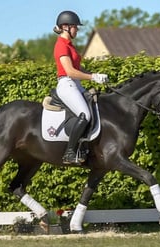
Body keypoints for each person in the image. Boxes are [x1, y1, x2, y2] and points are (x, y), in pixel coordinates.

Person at [53, 10, 108, 165]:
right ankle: (70, 152)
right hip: (67, 84)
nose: (77, 30)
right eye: (75, 27)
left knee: (94, 108)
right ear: (65, 27)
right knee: (85, 114)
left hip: (75, 84)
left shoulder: (70, 46)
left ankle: (85, 146)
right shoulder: (61, 46)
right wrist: (92, 77)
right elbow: (70, 71)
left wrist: (95, 75)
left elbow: (78, 68)